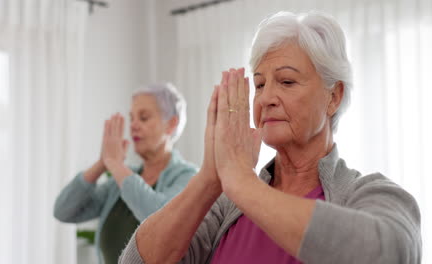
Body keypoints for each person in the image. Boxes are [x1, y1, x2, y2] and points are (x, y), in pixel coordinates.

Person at [118, 11, 422, 264]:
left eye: (287, 81)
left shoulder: (371, 193)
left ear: (334, 96)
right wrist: (210, 178)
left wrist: (241, 181)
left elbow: (389, 253)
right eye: (260, 85)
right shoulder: (227, 205)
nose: (266, 99)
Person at [53, 83, 198, 264]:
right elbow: (64, 211)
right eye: (132, 118)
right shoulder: (118, 184)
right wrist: (102, 163)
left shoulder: (189, 177)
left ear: (171, 124)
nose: (134, 125)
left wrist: (114, 164)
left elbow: (160, 221)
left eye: (143, 118)